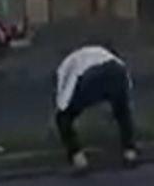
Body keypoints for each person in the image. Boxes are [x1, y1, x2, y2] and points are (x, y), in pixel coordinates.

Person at [53, 42, 138, 174]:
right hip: (116, 74)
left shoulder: (65, 66)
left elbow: (64, 92)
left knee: (62, 118)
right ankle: (130, 152)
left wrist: (61, 109)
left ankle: (78, 158)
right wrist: (120, 102)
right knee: (123, 112)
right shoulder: (111, 58)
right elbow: (126, 81)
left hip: (91, 76)